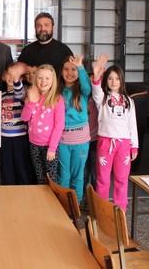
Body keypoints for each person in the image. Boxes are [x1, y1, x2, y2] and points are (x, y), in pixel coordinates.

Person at [91, 54, 138, 211]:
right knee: (103, 178)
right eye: (110, 78)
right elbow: (96, 90)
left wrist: (134, 146)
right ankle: (101, 208)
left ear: (122, 81)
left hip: (124, 144)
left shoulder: (129, 101)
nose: (113, 81)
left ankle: (121, 208)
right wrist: (97, 75)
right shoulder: (102, 99)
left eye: (117, 78)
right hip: (105, 143)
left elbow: (133, 125)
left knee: (122, 178)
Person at [21, 64, 65, 184]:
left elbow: (59, 126)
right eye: (40, 78)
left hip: (49, 146)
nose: (43, 81)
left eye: (47, 78)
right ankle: (43, 201)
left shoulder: (57, 99)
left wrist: (52, 148)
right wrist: (30, 102)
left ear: (53, 80)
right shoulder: (32, 96)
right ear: (36, 79)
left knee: (51, 178)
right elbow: (24, 118)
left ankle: (53, 201)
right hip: (33, 144)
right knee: (39, 176)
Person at [58, 55, 91, 202]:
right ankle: (64, 206)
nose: (69, 72)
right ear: (60, 71)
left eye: (73, 69)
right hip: (62, 140)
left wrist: (80, 67)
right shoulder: (57, 90)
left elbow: (87, 86)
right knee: (63, 175)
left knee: (78, 175)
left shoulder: (82, 91)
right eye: (66, 69)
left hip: (81, 140)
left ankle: (76, 206)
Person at [0, 64, 33, 185]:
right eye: (9, 74)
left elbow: (19, 91)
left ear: (21, 78)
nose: (11, 77)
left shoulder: (23, 93)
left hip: (20, 137)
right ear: (3, 76)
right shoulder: (0, 96)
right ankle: (9, 193)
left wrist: (16, 79)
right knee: (7, 168)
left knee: (21, 167)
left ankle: (24, 192)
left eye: (14, 75)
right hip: (4, 137)